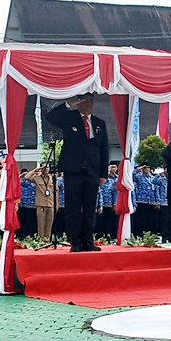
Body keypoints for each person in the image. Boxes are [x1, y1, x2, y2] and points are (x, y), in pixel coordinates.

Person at [46, 93, 109, 252]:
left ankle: (88, 241)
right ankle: (74, 241)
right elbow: (51, 116)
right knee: (73, 207)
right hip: (73, 170)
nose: (88, 104)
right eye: (85, 100)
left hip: (92, 171)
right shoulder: (70, 118)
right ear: (79, 102)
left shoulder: (99, 123)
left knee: (90, 207)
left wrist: (103, 174)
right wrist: (70, 104)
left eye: (91, 101)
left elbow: (104, 149)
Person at [24, 163, 56, 239]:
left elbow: (56, 191)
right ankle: (41, 240)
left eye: (47, 167)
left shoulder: (52, 178)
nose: (46, 169)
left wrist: (56, 204)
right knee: (41, 224)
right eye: (44, 167)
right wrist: (36, 169)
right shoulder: (37, 178)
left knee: (49, 225)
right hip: (41, 204)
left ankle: (47, 239)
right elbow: (26, 177)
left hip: (51, 204)